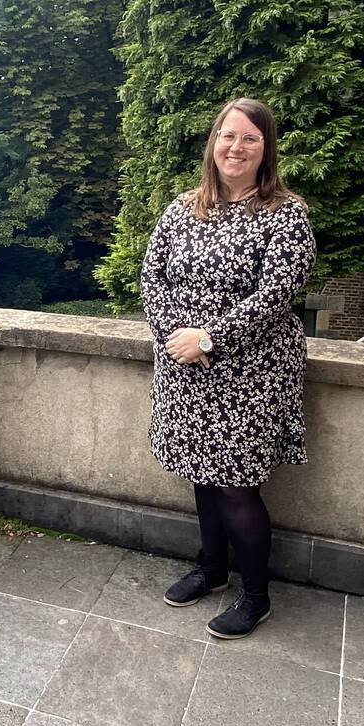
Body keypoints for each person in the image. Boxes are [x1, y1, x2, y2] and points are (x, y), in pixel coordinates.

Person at [141, 99, 317, 639]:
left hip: (251, 372)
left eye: (250, 139)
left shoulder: (286, 214)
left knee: (238, 486)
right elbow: (152, 276)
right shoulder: (182, 208)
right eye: (227, 136)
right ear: (212, 143)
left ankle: (256, 595)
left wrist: (211, 338)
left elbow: (276, 295)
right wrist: (178, 339)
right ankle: (211, 569)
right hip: (183, 366)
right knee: (201, 474)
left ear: (266, 150)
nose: (235, 148)